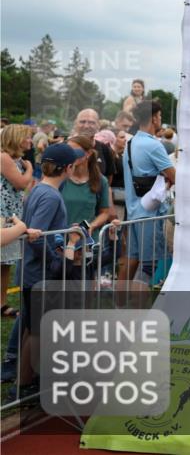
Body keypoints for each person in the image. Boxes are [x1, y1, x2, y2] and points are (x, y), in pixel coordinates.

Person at [10, 142, 81, 399]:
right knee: (38, 332)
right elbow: (36, 235)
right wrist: (55, 260)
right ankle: (28, 385)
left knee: (32, 328)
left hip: (33, 272)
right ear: (69, 168)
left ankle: (23, 383)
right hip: (39, 273)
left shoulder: (39, 188)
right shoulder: (50, 195)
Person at [121, 101, 175, 283]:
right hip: (150, 213)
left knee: (131, 261)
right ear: (153, 118)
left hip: (134, 211)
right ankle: (140, 310)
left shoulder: (131, 143)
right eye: (159, 116)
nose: (160, 120)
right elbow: (174, 177)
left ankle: (117, 306)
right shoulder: (153, 145)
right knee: (148, 268)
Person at [62, 135, 117, 279]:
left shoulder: (100, 181)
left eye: (75, 151)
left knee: (86, 282)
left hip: (88, 242)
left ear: (88, 153)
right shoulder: (61, 178)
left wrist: (91, 226)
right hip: (61, 241)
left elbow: (105, 212)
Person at [1, 124, 34, 318]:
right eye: (27, 137)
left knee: (5, 263)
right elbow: (21, 183)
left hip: (11, 215)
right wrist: (30, 169)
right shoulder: (4, 157)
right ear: (16, 138)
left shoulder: (16, 159)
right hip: (2, 214)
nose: (30, 140)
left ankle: (2, 303)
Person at [73, 108, 117, 181]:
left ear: (98, 125)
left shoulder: (105, 149)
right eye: (82, 122)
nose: (86, 126)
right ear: (75, 124)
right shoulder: (65, 147)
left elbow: (108, 178)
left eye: (91, 122)